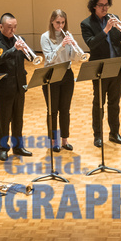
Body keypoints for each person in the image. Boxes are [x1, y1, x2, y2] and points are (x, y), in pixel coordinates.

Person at [81, 0, 121, 148]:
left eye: (106, 5)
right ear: (94, 6)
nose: (104, 8)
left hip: (117, 67)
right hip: (100, 69)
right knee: (99, 103)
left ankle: (114, 133)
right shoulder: (87, 24)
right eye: (101, 5)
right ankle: (98, 135)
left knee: (114, 103)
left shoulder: (114, 18)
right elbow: (92, 44)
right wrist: (106, 30)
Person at [0, 13, 32, 162]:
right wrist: (14, 49)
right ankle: (3, 148)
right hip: (4, 87)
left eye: (14, 27)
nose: (12, 30)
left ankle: (18, 146)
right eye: (9, 27)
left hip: (20, 85)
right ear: (1, 26)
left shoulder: (20, 40)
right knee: (4, 119)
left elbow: (30, 58)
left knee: (18, 119)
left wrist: (27, 50)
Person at [39, 9, 80, 152]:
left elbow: (74, 58)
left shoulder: (67, 35)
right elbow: (50, 59)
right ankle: (52, 141)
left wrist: (74, 48)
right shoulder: (45, 37)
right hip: (51, 75)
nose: (60, 26)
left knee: (65, 109)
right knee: (52, 110)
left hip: (67, 75)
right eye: (58, 22)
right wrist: (62, 46)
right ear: (52, 21)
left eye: (63, 23)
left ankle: (64, 140)